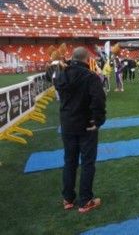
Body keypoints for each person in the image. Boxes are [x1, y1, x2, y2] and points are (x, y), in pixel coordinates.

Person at [54, 47, 106, 213]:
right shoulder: (90, 77)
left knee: (69, 161)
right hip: (86, 124)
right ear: (87, 59)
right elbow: (98, 100)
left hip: (68, 123)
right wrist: (98, 120)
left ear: (72, 57)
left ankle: (68, 198)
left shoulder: (62, 74)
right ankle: (85, 200)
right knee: (87, 162)